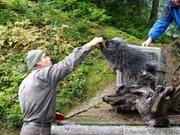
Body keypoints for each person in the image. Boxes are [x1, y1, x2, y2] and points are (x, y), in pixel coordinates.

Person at [18, 37, 104, 135]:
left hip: (27, 129)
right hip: (39, 131)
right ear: (37, 62)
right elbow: (67, 64)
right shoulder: (44, 75)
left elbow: (33, 104)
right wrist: (90, 45)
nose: (49, 58)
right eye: (45, 57)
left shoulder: (25, 81)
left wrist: (50, 113)